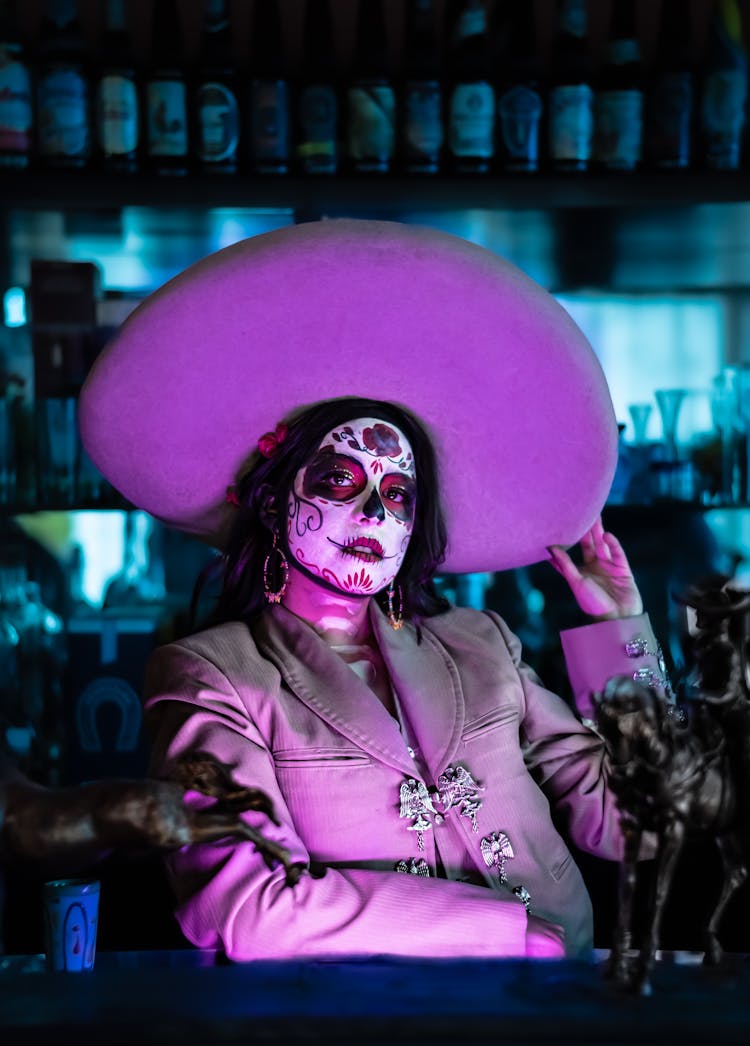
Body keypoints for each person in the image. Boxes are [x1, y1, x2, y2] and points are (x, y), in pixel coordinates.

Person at [78, 219, 667, 962]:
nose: (372, 513)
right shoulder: (213, 676)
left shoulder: (481, 643)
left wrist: (620, 634)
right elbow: (244, 907)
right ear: (272, 501)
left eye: (397, 494)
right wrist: (505, 932)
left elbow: (639, 823)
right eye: (340, 481)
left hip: (556, 1013)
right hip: (361, 1021)